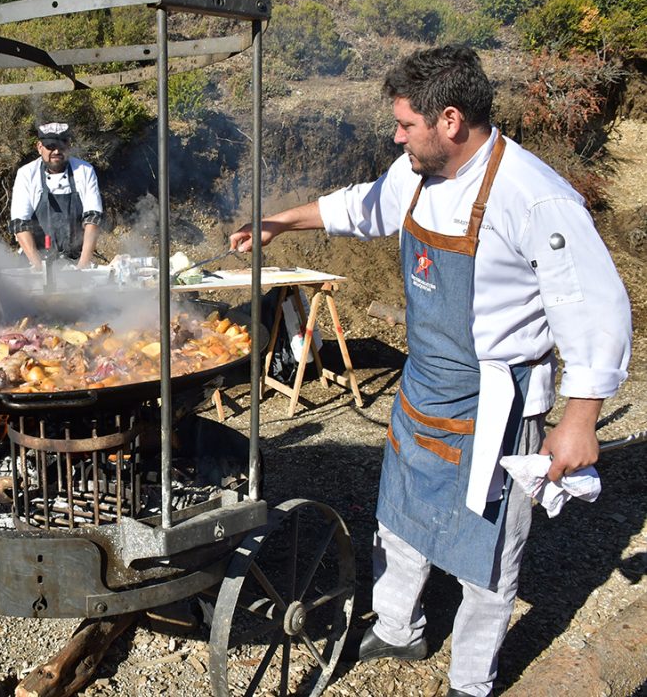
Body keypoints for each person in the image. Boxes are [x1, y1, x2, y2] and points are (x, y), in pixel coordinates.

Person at [230, 46, 631, 697]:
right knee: (402, 513)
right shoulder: (420, 174)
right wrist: (281, 222)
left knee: (487, 552)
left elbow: (595, 306)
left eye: (405, 125)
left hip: (495, 400)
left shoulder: (533, 197)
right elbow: (361, 207)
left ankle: (471, 682)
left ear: (449, 120)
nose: (395, 136)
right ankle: (399, 625)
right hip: (425, 383)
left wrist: (582, 416)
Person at [9, 122, 103, 269]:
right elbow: (20, 225)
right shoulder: (26, 174)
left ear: (69, 145)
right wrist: (40, 269)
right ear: (40, 147)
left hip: (76, 260)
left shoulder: (85, 170)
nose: (57, 151)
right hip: (35, 260)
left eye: (62, 146)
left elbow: (93, 219)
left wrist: (82, 266)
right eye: (51, 146)